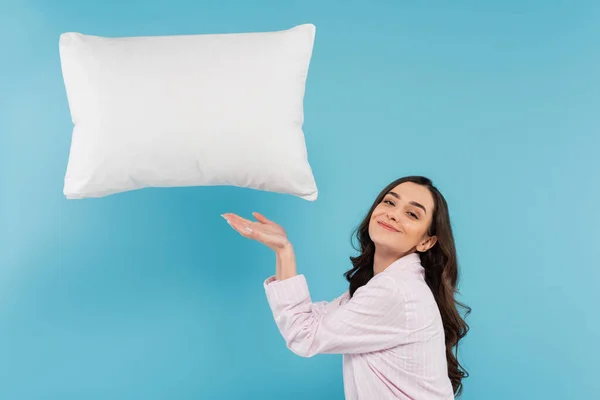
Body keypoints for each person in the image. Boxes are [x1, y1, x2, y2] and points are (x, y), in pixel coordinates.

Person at [222, 175, 470, 399]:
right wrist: (282, 248)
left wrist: (283, 250)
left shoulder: (396, 291)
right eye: (389, 202)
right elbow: (314, 320)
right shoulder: (388, 284)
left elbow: (304, 335)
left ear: (426, 242)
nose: (393, 214)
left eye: (412, 214)